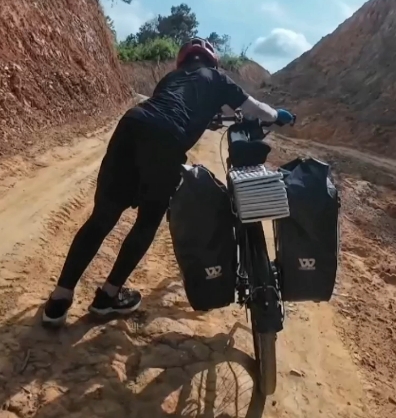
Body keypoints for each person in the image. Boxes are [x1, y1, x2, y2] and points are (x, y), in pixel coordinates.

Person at [42, 38, 295, 327]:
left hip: (132, 124)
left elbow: (180, 104)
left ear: (183, 61)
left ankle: (59, 300)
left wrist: (208, 117)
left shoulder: (171, 78)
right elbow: (255, 109)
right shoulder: (217, 78)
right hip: (166, 137)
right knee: (147, 221)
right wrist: (278, 115)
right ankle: (108, 296)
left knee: (101, 218)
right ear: (211, 60)